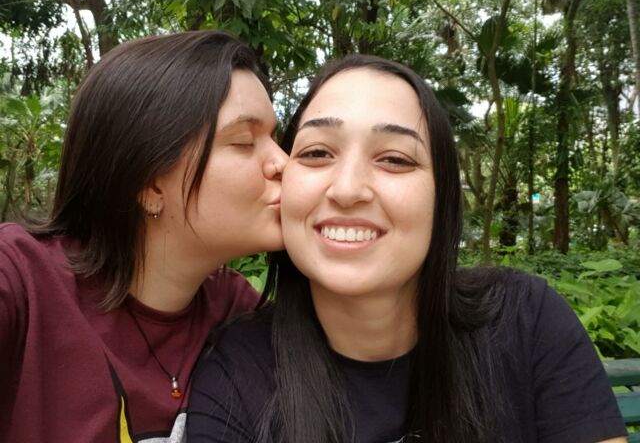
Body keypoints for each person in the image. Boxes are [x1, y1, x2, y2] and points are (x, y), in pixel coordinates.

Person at [187, 54, 628, 443]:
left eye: (395, 159)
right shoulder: (235, 374)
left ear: (443, 200)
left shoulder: (525, 322)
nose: (348, 189)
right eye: (318, 153)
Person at [0, 30, 287, 442]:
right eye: (244, 142)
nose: (284, 162)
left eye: (275, 139)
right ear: (150, 183)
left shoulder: (236, 311)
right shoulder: (23, 282)